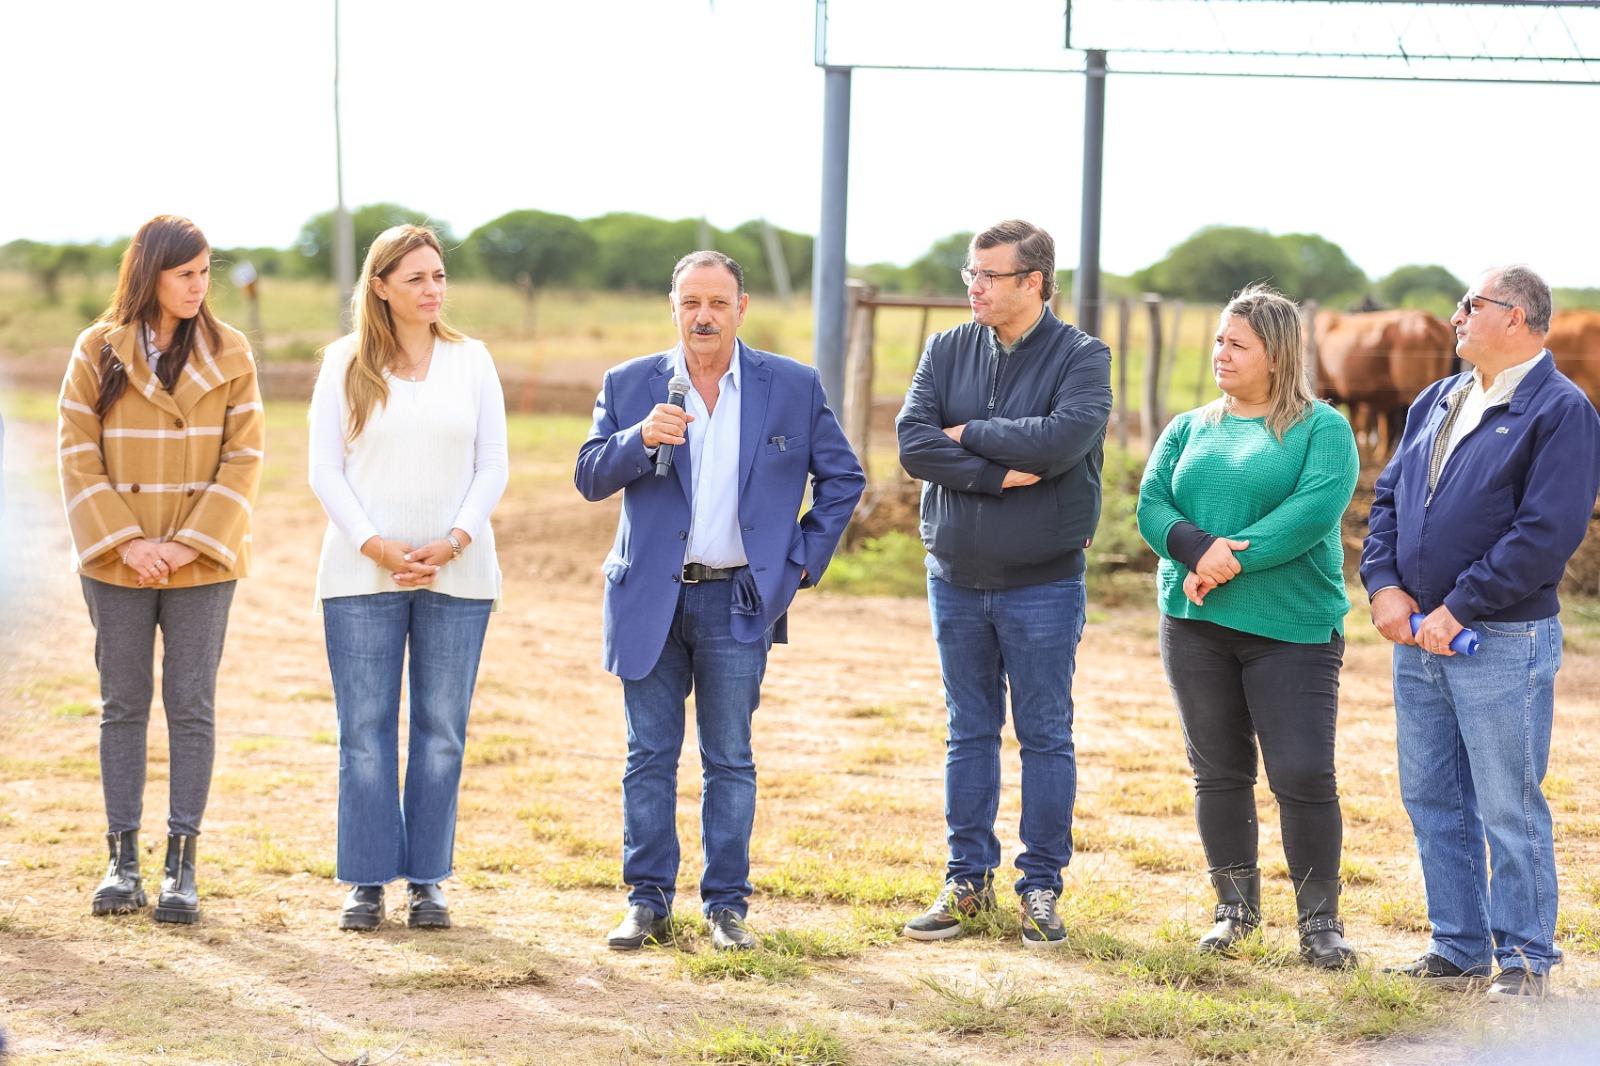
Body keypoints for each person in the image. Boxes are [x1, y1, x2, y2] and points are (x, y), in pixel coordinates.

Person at [575, 250, 864, 952]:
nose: (703, 316)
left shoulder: (790, 386)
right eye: (690, 303)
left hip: (738, 597)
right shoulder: (631, 382)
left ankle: (726, 907)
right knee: (649, 756)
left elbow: (843, 478)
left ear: (740, 310)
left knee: (729, 757)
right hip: (649, 597)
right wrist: (638, 437)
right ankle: (646, 903)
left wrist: (797, 565)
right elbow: (589, 475)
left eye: (717, 303)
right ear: (672, 307)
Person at [1362, 265, 1600, 1000]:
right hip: (1418, 636)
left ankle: (1526, 957)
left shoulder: (1561, 410)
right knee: (1431, 795)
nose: (1456, 314)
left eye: (1473, 304)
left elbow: (1545, 533)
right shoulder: (1438, 397)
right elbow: (1389, 497)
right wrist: (1383, 585)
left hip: (1497, 641)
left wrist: (1459, 606)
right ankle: (1458, 947)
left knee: (1507, 802)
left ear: (1520, 320)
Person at [895, 220, 1111, 948]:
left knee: (1045, 734)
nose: (974, 287)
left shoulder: (1084, 356)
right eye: (971, 274)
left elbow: (1060, 441)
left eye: (989, 275)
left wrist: (969, 432)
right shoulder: (947, 346)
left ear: (1035, 283)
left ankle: (1041, 888)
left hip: (1043, 582)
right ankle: (966, 883)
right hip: (954, 575)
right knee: (969, 731)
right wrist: (993, 469)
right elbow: (911, 441)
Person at [1136, 286, 1360, 968]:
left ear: (1276, 354)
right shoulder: (1188, 426)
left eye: (1237, 344)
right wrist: (1193, 552)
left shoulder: (1323, 429)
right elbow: (1151, 504)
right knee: (1219, 772)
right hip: (1194, 624)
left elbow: (1312, 514)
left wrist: (1223, 560)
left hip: (1291, 628)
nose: (1220, 354)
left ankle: (1320, 925)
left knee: (1302, 774)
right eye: (1218, 341)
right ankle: (1234, 910)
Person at [58, 214, 264, 923]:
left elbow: (245, 458)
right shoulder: (96, 348)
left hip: (202, 563)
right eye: (186, 274)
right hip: (117, 561)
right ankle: (122, 860)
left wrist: (185, 544)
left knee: (191, 705)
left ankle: (182, 864)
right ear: (150, 274)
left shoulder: (231, 350)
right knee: (122, 704)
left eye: (205, 272)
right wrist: (128, 542)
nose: (198, 286)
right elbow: (76, 453)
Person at [309, 224, 508, 932]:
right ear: (381, 286)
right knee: (363, 732)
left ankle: (428, 880)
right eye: (417, 277)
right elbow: (324, 469)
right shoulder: (342, 362)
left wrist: (454, 540)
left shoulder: (472, 360)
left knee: (441, 731)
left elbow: (493, 465)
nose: (433, 289)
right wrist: (376, 546)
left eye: (439, 276)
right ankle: (366, 880)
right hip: (362, 575)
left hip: (459, 570)